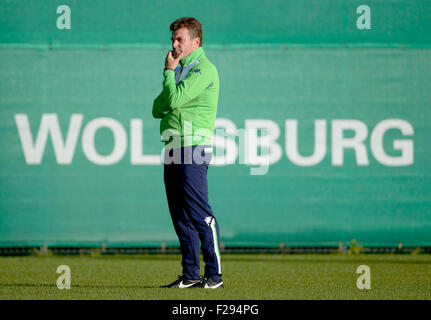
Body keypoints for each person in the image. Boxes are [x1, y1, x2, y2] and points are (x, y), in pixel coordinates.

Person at [152, 17, 223, 289]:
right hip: (172, 147)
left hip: (193, 148)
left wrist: (167, 74)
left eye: (180, 39)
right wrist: (172, 84)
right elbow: (157, 108)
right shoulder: (181, 70)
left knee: (200, 214)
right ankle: (191, 275)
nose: (174, 44)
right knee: (180, 217)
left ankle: (214, 276)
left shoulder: (204, 69)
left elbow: (171, 100)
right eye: (172, 39)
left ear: (196, 41)